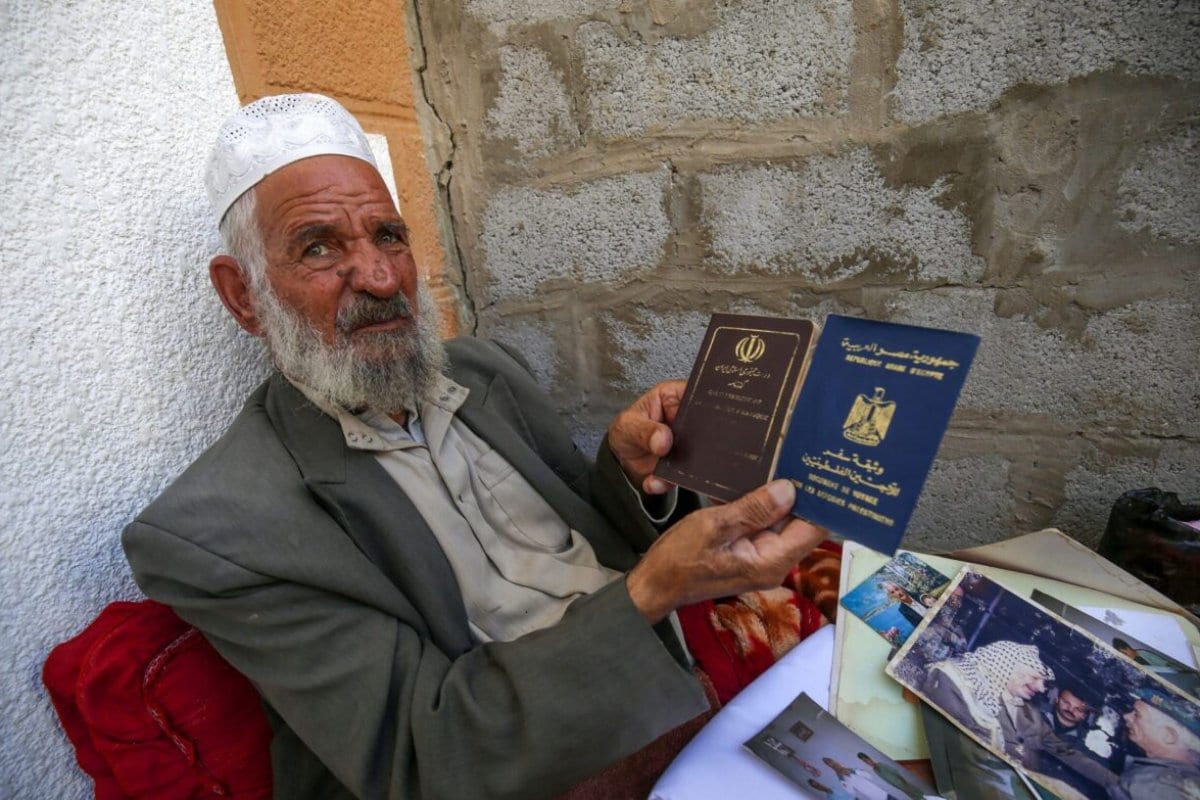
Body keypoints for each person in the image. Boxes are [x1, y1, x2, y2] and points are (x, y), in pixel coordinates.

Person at [121, 93, 827, 800]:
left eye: (388, 236)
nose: (381, 277)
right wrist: (649, 594)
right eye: (319, 247)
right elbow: (419, 751)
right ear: (243, 296)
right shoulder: (221, 528)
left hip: (673, 655)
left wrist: (632, 472)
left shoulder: (483, 371)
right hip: (544, 757)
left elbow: (585, 534)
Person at [922, 641, 1118, 793]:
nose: (1041, 688)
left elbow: (1067, 753)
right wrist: (1042, 782)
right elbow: (963, 754)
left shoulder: (1029, 713)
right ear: (1005, 666)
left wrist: (1117, 784)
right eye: (1034, 677)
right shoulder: (956, 683)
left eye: (1042, 682)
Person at [1115, 688, 1200, 799]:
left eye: (1137, 715)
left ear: (1168, 736)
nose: (1126, 716)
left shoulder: (1152, 784)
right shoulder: (1186, 781)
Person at [823, 756, 900, 800]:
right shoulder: (841, 780)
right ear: (828, 766)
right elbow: (851, 793)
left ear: (834, 760)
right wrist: (844, 779)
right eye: (828, 763)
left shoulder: (854, 769)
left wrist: (853, 771)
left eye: (830, 760)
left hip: (884, 794)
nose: (831, 763)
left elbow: (870, 777)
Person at [856, 752, 926, 800]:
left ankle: (924, 797)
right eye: (865, 762)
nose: (867, 762)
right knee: (908, 793)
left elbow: (894, 771)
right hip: (896, 785)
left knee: (912, 790)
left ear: (870, 759)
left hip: (900, 781)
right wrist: (894, 785)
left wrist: (902, 779)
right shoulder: (875, 770)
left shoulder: (881, 765)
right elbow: (886, 779)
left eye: (866, 760)